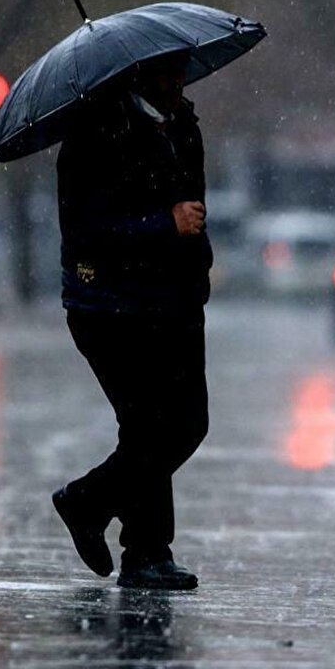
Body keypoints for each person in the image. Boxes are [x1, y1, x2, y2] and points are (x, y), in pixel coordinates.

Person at [51, 50, 210, 590]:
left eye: (181, 69)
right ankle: (144, 551)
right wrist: (163, 224)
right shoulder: (94, 134)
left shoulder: (183, 125)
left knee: (186, 424)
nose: (178, 80)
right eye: (167, 71)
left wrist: (195, 268)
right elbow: (86, 232)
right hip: (110, 306)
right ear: (138, 74)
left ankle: (91, 506)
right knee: (150, 426)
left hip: (176, 301)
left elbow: (194, 208)